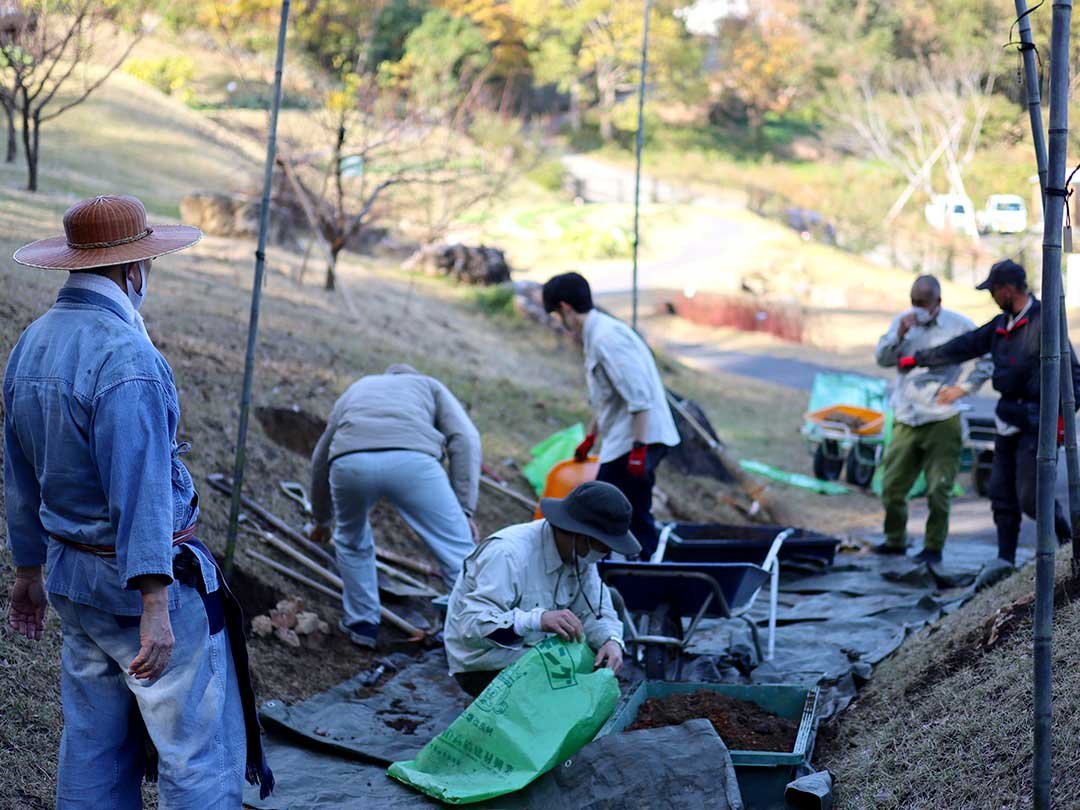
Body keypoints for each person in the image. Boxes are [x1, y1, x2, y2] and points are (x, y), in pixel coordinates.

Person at [4, 195, 272, 807]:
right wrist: (154, 598)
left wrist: (27, 568)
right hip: (141, 591)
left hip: (73, 578)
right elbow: (142, 485)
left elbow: (17, 472)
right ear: (133, 270)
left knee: (93, 743)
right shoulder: (127, 357)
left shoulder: (33, 343)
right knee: (196, 751)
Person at [902, 259, 1080, 574]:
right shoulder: (1000, 324)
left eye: (994, 291)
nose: (992, 297)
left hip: (1037, 423)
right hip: (1006, 418)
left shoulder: (1045, 322)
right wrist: (918, 358)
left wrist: (1062, 419)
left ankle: (1068, 546)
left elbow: (1074, 377)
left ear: (1008, 290)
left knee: (1030, 498)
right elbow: (963, 346)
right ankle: (1005, 561)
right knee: (1000, 494)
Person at [310, 363, 481, 648]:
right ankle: (465, 633)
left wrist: (321, 520)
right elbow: (465, 438)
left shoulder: (359, 386)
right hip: (413, 464)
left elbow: (321, 454)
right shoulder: (429, 384)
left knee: (350, 541)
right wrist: (464, 509)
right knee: (457, 552)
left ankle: (362, 625)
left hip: (350, 462)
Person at [443, 481, 638, 697]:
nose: (604, 553)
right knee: (563, 706)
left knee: (613, 599)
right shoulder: (508, 554)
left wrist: (611, 640)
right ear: (578, 535)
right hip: (486, 663)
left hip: (540, 651)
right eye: (602, 546)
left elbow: (596, 609)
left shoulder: (580, 555)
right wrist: (537, 620)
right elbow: (472, 628)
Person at [542, 272, 680, 559]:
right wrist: (592, 436)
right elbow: (608, 398)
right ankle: (632, 569)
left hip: (640, 439)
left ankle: (642, 574)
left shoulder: (608, 338)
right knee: (622, 510)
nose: (559, 322)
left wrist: (639, 451)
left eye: (556, 314)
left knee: (610, 510)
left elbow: (639, 396)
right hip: (624, 438)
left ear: (566, 308)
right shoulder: (595, 334)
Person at [874, 275, 992, 563]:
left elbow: (987, 359)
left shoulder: (959, 325)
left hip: (942, 416)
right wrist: (898, 335)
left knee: (939, 487)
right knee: (892, 486)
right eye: (913, 303)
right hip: (907, 414)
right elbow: (883, 359)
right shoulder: (902, 322)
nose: (917, 309)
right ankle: (895, 540)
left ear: (938, 302)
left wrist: (964, 388)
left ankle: (933, 546)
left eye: (923, 304)